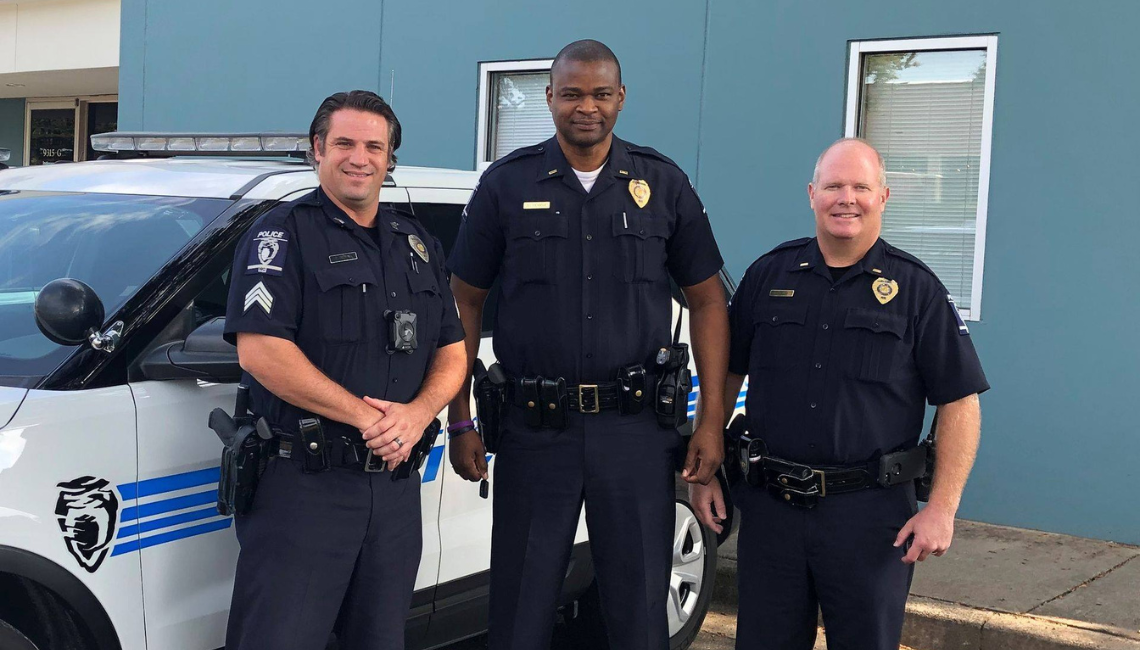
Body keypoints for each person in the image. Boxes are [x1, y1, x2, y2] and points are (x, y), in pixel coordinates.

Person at [445, 39, 730, 650]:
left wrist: (710, 425)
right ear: (549, 98)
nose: (586, 107)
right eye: (571, 93)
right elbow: (463, 301)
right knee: (520, 609)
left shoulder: (663, 183)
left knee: (638, 611)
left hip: (634, 433)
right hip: (533, 428)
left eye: (600, 94)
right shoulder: (506, 185)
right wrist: (460, 417)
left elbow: (708, 299)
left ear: (621, 99)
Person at [690, 138, 988, 650]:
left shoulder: (916, 290)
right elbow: (726, 376)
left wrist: (942, 507)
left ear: (884, 197)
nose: (846, 198)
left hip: (870, 519)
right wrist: (706, 467)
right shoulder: (769, 276)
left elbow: (960, 401)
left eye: (860, 187)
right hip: (771, 510)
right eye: (833, 186)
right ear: (812, 194)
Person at [222, 90, 467, 650]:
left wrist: (418, 414)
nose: (360, 157)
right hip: (305, 489)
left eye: (374, 146)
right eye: (345, 143)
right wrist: (368, 419)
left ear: (389, 158)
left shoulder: (418, 244)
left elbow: (453, 350)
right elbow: (261, 350)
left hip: (395, 490)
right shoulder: (280, 235)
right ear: (317, 149)